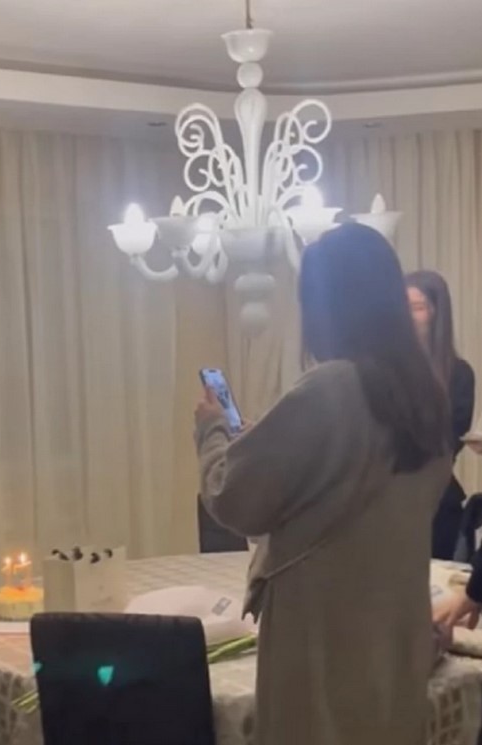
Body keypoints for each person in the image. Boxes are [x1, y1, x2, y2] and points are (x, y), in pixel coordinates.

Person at [195, 223, 451, 745]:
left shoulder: (329, 387)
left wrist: (212, 432)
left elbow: (231, 497)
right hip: (392, 635)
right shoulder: (428, 398)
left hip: (323, 637)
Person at [406, 270, 475, 559]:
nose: (407, 316)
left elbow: (446, 443)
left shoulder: (459, 374)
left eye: (417, 307)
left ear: (437, 314)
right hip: (384, 501)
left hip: (435, 500)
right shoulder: (384, 371)